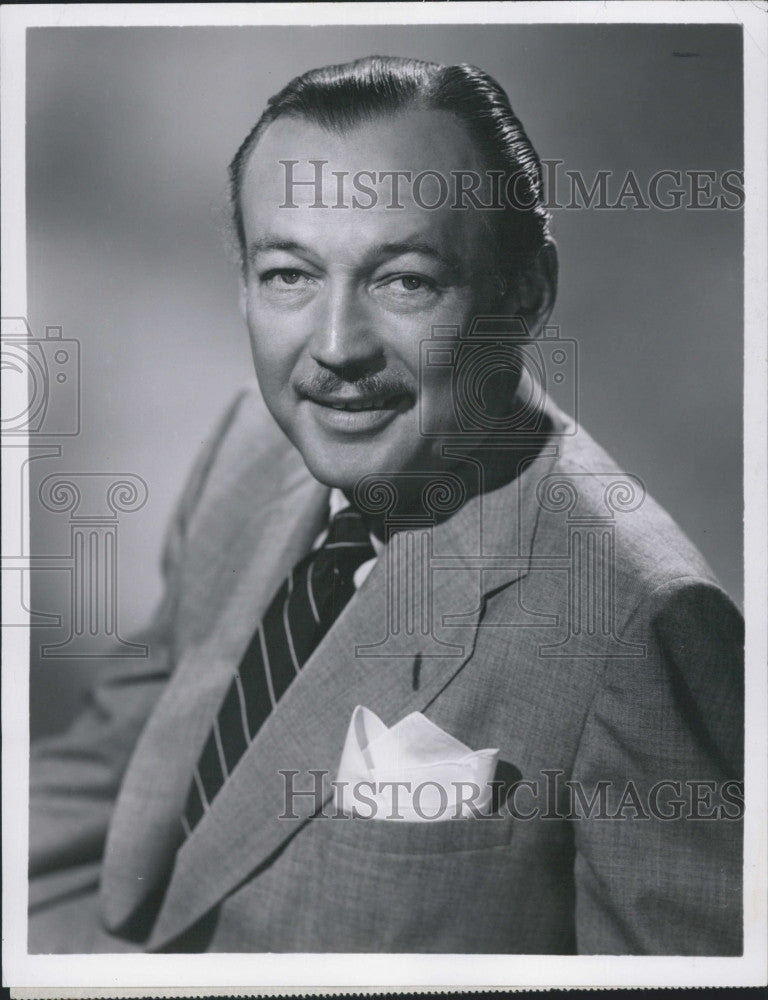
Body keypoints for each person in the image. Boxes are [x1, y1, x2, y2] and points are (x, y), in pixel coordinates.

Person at [28, 55, 743, 955]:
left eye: (404, 281)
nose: (335, 348)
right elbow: (111, 762)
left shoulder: (639, 622)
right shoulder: (246, 454)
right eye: (289, 274)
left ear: (527, 293)